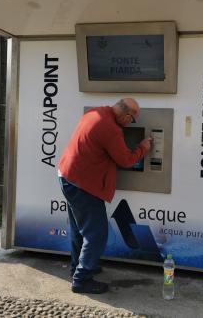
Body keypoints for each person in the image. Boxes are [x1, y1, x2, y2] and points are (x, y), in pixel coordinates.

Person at [58, 98, 152, 294]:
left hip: (69, 176)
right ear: (126, 115)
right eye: (132, 120)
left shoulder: (96, 112)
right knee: (97, 234)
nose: (130, 124)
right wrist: (143, 147)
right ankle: (82, 279)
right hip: (83, 184)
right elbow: (125, 160)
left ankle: (80, 266)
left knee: (79, 230)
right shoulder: (110, 128)